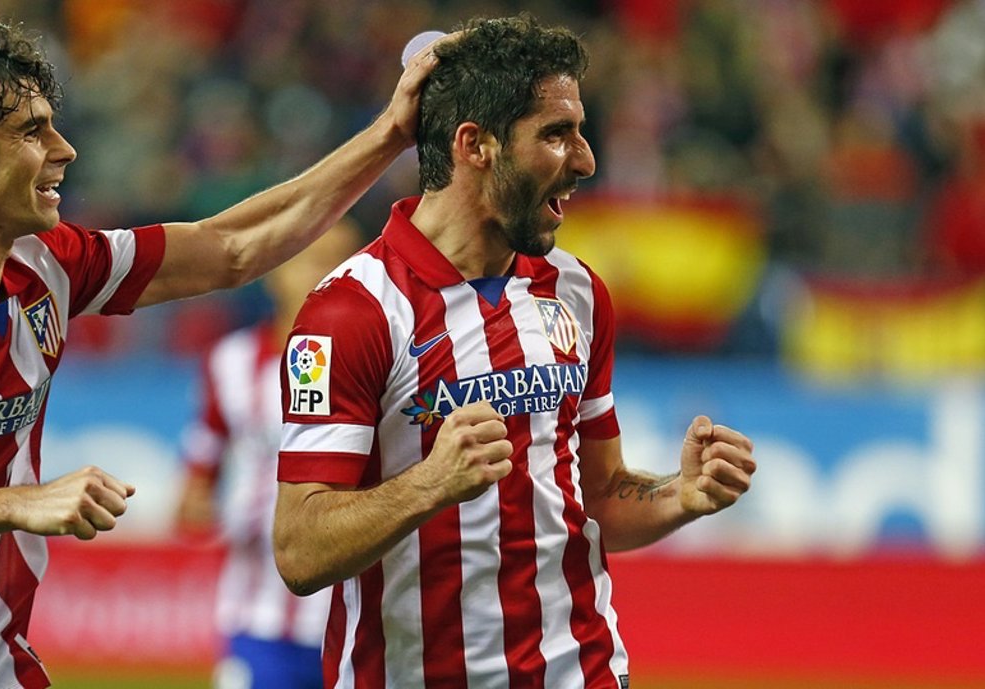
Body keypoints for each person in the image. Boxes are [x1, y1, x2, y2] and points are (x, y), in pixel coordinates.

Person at [0, 15, 437, 688]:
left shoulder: (46, 263)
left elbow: (231, 248)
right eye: (32, 131)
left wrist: (390, 135)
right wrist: (19, 502)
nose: (64, 149)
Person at [272, 16, 757, 689]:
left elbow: (598, 495)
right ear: (476, 145)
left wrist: (680, 494)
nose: (585, 160)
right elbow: (299, 550)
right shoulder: (352, 312)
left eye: (580, 132)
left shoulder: (577, 291)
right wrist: (429, 484)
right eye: (557, 134)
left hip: (580, 671)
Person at [175, 219, 361, 689]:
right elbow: (199, 473)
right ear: (276, 273)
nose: (326, 276)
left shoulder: (379, 365)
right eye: (312, 261)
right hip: (258, 617)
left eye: (341, 263)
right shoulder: (231, 362)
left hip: (355, 623)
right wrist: (201, 503)